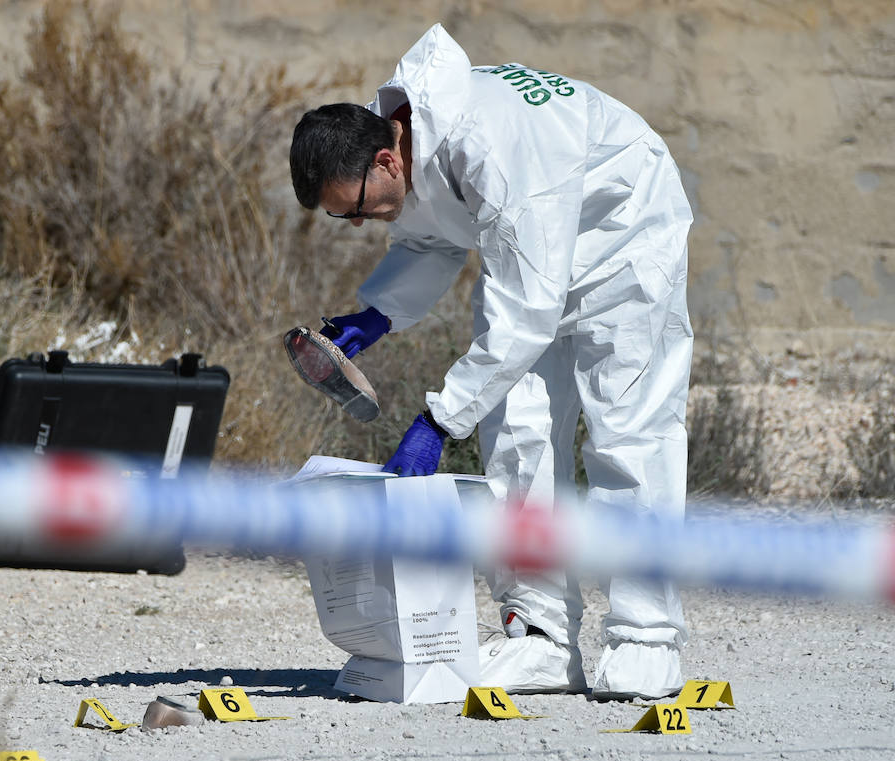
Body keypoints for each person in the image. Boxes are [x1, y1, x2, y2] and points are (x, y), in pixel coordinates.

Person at [289, 23, 694, 700]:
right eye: (342, 219)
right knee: (517, 435)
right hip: (530, 253)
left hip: (624, 243)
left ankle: (646, 639)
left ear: (387, 162)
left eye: (354, 210)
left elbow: (529, 312)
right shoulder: (408, 134)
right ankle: (541, 637)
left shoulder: (490, 144)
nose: (357, 224)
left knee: (629, 433)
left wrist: (438, 421)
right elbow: (434, 235)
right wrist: (375, 314)